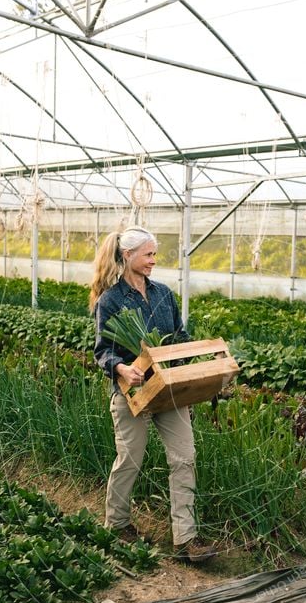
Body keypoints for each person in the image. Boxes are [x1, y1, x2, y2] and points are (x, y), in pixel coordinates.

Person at [90, 225, 216, 563]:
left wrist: (183, 357)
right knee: (130, 459)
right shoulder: (111, 299)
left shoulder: (163, 294)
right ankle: (116, 524)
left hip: (169, 390)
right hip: (133, 393)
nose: (153, 261)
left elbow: (179, 334)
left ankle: (185, 539)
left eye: (154, 255)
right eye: (148, 254)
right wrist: (121, 368)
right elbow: (102, 350)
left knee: (184, 457)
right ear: (128, 255)